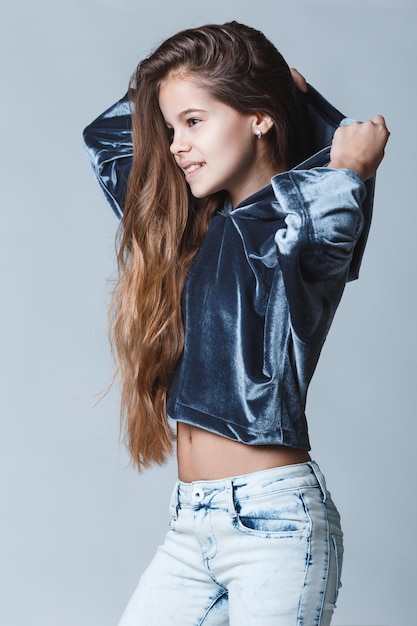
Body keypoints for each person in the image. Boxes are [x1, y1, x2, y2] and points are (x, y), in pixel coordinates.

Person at [83, 21, 389, 626]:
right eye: (172, 128)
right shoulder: (188, 228)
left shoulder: (298, 225)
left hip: (274, 526)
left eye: (193, 122)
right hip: (190, 524)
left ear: (258, 118)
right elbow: (109, 138)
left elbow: (328, 235)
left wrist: (346, 165)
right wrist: (283, 91)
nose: (174, 144)